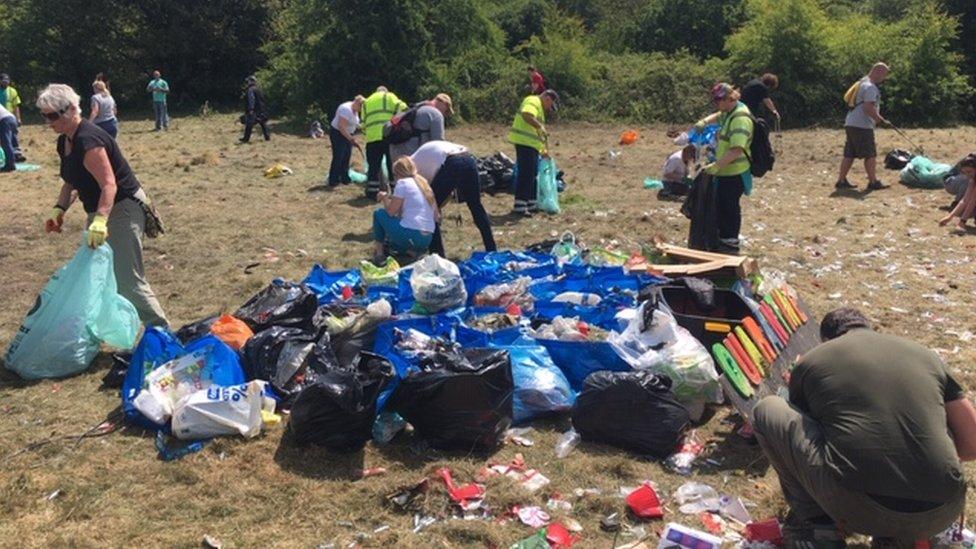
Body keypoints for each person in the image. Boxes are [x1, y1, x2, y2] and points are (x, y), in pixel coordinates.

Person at [752, 307, 975, 548]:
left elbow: (809, 430)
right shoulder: (926, 355)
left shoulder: (813, 360)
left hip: (857, 506)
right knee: (931, 418)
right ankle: (902, 539)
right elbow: (972, 443)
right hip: (941, 511)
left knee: (768, 409)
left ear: (826, 339)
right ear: (869, 328)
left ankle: (817, 528)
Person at [38, 84, 168, 326]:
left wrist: (100, 221)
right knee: (99, 274)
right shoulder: (65, 141)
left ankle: (164, 335)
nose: (48, 121)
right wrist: (59, 209)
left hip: (122, 208)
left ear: (71, 110)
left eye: (52, 115)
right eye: (44, 115)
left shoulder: (89, 139)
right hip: (101, 211)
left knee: (128, 280)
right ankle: (113, 328)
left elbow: (109, 185)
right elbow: (71, 181)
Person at [692, 83, 754, 253]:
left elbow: (736, 150)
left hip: (735, 172)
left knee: (730, 206)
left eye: (717, 100)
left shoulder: (740, 119)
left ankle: (730, 241)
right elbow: (718, 116)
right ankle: (723, 238)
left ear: (728, 99)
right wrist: (704, 121)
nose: (716, 104)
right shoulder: (729, 112)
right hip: (725, 171)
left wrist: (716, 166)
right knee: (721, 204)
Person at [410, 140, 498, 257]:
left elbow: (428, 198)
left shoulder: (414, 171)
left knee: (429, 210)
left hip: (451, 162)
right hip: (468, 159)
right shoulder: (420, 156)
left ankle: (438, 255)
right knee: (476, 205)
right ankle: (491, 249)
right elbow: (444, 194)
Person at [372, 156, 438, 262]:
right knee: (393, 241)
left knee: (379, 214)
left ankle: (379, 253)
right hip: (427, 238)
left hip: (412, 234)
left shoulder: (402, 183)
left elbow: (390, 212)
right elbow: (437, 217)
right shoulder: (424, 185)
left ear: (398, 174)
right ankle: (413, 252)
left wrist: (384, 198)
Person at [836, 62, 891, 191]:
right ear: (878, 72)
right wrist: (880, 120)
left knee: (849, 154)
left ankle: (841, 180)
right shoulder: (870, 87)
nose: (885, 78)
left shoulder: (861, 82)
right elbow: (868, 107)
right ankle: (873, 182)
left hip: (851, 123)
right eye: (884, 75)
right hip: (862, 125)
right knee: (870, 154)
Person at [508, 89, 559, 215]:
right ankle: (520, 205)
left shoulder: (539, 108)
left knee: (532, 174)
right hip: (524, 143)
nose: (549, 109)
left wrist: (543, 151)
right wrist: (539, 126)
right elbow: (526, 115)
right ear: (547, 98)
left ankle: (531, 203)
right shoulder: (533, 101)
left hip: (531, 145)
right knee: (526, 174)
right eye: (550, 105)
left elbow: (537, 135)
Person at [361, 86, 408, 199]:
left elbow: (363, 123)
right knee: (391, 164)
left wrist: (369, 132)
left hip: (372, 138)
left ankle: (372, 193)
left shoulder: (366, 102)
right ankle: (395, 191)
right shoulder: (389, 96)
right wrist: (395, 123)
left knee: (373, 166)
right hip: (388, 136)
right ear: (385, 91)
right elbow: (404, 109)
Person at [388, 93, 454, 160]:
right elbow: (438, 142)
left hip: (395, 152)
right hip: (412, 155)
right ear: (444, 104)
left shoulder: (415, 107)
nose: (445, 114)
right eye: (447, 110)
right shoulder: (436, 114)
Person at [328, 95, 365, 186]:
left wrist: (364, 128)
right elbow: (341, 127)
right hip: (338, 134)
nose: (361, 110)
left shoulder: (355, 110)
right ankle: (333, 179)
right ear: (357, 104)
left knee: (346, 156)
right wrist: (351, 139)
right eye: (361, 107)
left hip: (347, 134)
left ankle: (344, 178)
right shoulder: (346, 109)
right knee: (338, 156)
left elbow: (355, 123)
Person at [939, 153, 976, 231]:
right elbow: (965, 200)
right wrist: (950, 217)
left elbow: (973, 201)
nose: (967, 175)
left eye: (969, 172)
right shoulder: (972, 179)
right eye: (964, 172)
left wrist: (962, 222)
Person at [0, 73, 24, 160]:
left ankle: (16, 155)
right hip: (2, 117)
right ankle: (7, 156)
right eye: (3, 81)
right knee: (5, 138)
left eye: (7, 81)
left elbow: (16, 106)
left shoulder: (12, 91)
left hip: (8, 117)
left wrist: (18, 118)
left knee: (12, 137)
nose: (6, 83)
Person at [240, 75, 270, 143]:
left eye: (248, 81)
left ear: (251, 81)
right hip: (261, 109)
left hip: (254, 110)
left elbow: (252, 99)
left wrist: (251, 109)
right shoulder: (259, 89)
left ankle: (245, 139)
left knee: (249, 124)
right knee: (263, 123)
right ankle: (267, 137)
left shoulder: (250, 89)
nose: (247, 82)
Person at [0, 102, 16, 172]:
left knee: (6, 143)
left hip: (5, 120)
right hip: (11, 118)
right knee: (7, 143)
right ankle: (12, 162)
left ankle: (10, 165)